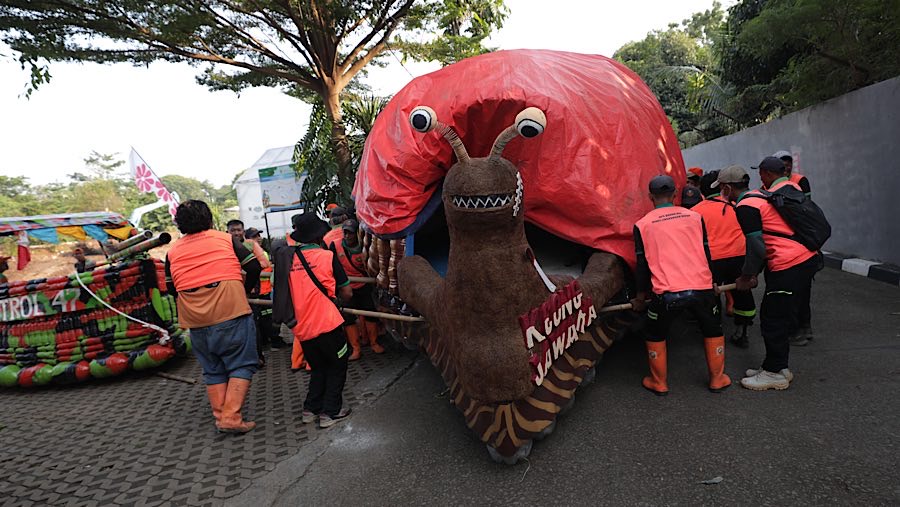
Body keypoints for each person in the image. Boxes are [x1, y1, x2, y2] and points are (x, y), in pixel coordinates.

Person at [165, 200, 262, 433]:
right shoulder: (225, 239)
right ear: (208, 219)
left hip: (195, 320)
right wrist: (245, 289)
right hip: (231, 311)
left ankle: (221, 417)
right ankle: (231, 418)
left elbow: (171, 288)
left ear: (179, 224)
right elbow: (255, 268)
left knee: (213, 369)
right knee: (242, 363)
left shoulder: (172, 251)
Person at [631, 175, 731, 396]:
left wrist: (640, 296)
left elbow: (642, 265)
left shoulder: (642, 224)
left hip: (666, 293)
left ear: (650, 197)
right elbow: (706, 252)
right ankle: (717, 378)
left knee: (655, 333)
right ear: (675, 195)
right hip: (701, 288)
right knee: (712, 329)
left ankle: (659, 382)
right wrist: (713, 282)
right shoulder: (695, 217)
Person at [725, 157, 820, 391]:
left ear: (727, 189)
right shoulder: (766, 196)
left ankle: (774, 372)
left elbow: (756, 246)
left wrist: (747, 276)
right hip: (806, 257)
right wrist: (753, 273)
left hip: (789, 263)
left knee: (773, 317)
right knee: (779, 313)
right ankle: (777, 365)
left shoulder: (746, 206)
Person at [272, 213, 353, 428]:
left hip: (302, 326)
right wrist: (338, 300)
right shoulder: (326, 256)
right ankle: (330, 412)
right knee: (337, 365)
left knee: (318, 367)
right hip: (328, 322)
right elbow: (346, 291)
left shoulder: (288, 259)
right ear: (319, 235)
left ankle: (311, 409)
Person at [694, 169, 757, 347]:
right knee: (742, 292)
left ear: (702, 191)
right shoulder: (737, 206)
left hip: (712, 260)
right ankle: (741, 331)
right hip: (739, 256)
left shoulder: (696, 212)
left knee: (710, 295)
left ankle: (714, 331)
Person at [331, 219, 384, 360]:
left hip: (364, 286)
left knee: (370, 314)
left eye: (350, 233)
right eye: (345, 233)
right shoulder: (335, 246)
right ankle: (356, 349)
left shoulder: (366, 245)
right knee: (348, 317)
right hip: (346, 288)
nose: (347, 236)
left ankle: (374, 343)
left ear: (357, 234)